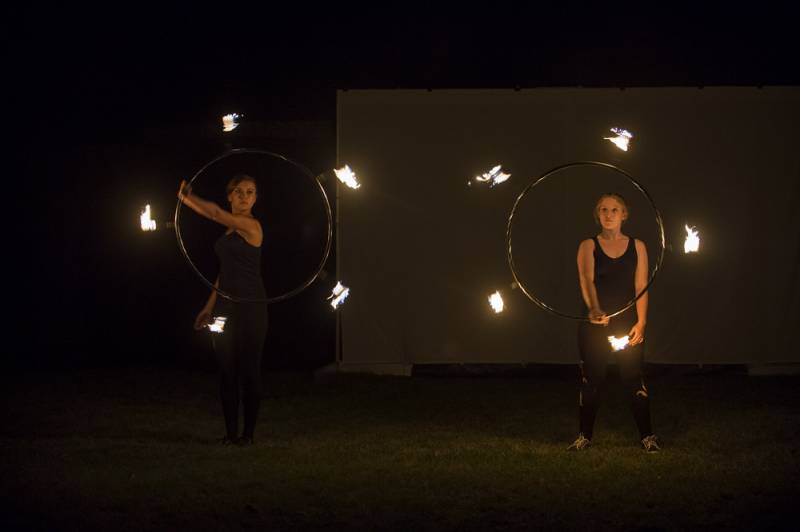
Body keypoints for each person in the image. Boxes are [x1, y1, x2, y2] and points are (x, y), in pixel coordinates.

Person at [178, 175, 268, 446]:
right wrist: (208, 308)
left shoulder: (252, 226)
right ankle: (230, 435)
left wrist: (188, 199)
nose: (244, 196)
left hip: (252, 307)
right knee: (227, 370)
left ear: (255, 198)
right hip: (224, 308)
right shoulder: (227, 233)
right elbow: (223, 275)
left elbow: (216, 213)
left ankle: (247, 436)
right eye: (238, 191)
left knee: (249, 370)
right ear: (230, 196)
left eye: (250, 192)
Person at [569, 193, 660, 453]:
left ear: (624, 214)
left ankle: (648, 437)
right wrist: (594, 308)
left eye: (614, 210)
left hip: (627, 323)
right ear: (597, 214)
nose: (608, 215)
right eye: (604, 210)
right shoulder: (588, 245)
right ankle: (584, 437)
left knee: (633, 377)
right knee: (592, 378)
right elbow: (586, 280)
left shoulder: (637, 246)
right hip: (594, 323)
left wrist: (641, 322)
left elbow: (641, 286)